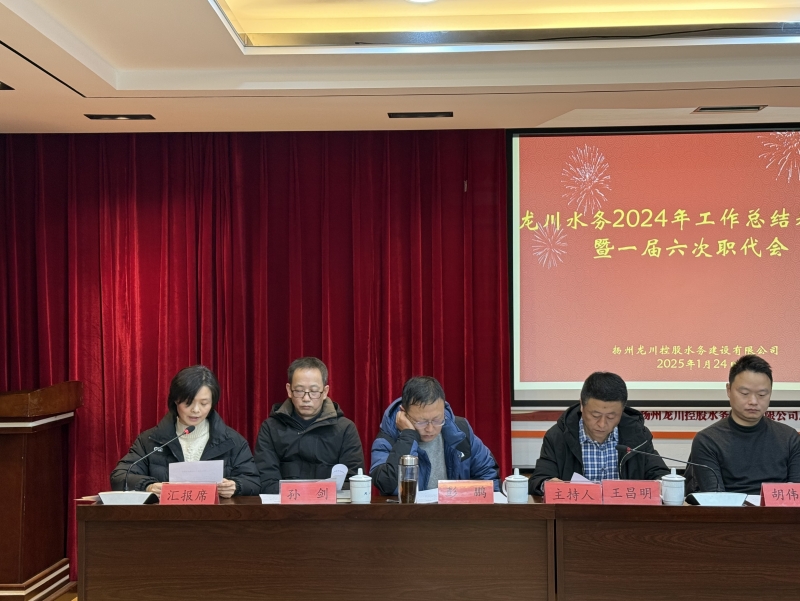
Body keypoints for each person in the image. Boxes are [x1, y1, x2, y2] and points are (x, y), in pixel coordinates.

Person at [110, 365, 260, 497]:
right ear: (176, 400)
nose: (196, 410)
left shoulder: (233, 441)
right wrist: (148, 486)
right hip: (164, 517)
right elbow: (119, 476)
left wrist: (236, 486)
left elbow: (253, 482)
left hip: (215, 518)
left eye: (204, 403)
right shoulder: (150, 440)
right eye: (188, 403)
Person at [529, 371, 669, 495]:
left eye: (611, 417)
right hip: (575, 514)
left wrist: (662, 484)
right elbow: (538, 480)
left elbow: (660, 474)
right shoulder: (558, 437)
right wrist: (548, 484)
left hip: (626, 513)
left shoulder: (638, 436)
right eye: (595, 415)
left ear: (622, 411)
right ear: (582, 405)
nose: (602, 424)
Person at [686, 354, 800, 494]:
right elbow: (716, 499)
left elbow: (796, 495)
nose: (753, 401)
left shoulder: (789, 438)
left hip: (778, 508)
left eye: (762, 395)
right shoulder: (708, 440)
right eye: (745, 393)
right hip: (729, 508)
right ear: (729, 390)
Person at [370, 376, 499, 495]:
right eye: (421, 422)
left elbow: (488, 474)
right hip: (411, 512)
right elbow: (388, 485)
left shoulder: (460, 431)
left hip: (456, 511)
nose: (430, 429)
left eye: (437, 420)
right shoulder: (387, 439)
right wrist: (407, 436)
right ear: (403, 413)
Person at [254, 357, 364, 494]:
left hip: (330, 506)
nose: (306, 398)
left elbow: (353, 482)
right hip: (285, 505)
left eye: (314, 391)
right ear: (289, 390)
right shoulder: (271, 428)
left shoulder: (345, 429)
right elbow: (266, 481)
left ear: (325, 392)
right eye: (299, 390)